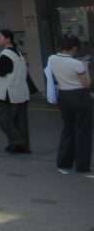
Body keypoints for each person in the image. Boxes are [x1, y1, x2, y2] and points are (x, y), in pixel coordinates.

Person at [47, 35, 92, 177]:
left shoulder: (52, 59)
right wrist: (86, 67)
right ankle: (82, 165)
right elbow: (86, 84)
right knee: (83, 131)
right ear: (73, 48)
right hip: (79, 96)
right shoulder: (77, 64)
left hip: (64, 96)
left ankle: (64, 162)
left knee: (68, 129)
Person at [0, 29, 31, 154]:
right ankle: (23, 147)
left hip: (8, 92)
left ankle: (17, 140)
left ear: (7, 39)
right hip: (22, 91)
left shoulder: (5, 54)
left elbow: (2, 71)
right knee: (20, 121)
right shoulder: (18, 53)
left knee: (0, 116)